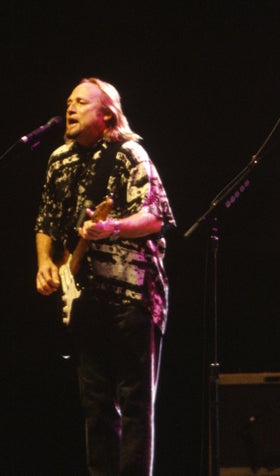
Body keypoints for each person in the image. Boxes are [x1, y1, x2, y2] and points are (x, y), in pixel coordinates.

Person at [34, 77, 175, 475]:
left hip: (133, 295)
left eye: (81, 102)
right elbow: (46, 219)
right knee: (95, 405)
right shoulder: (59, 159)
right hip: (84, 300)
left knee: (134, 405)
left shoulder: (131, 154)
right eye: (69, 101)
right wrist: (45, 262)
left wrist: (111, 228)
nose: (71, 108)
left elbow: (155, 217)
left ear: (107, 115)